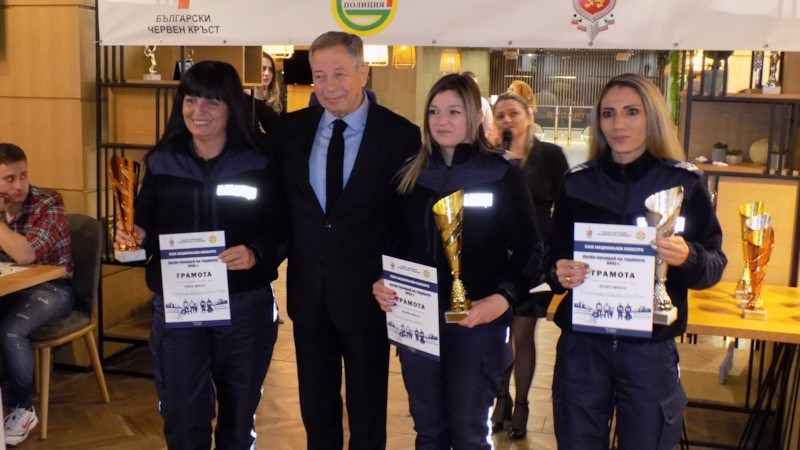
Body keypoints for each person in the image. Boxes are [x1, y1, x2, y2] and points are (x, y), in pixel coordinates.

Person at [545, 73, 727, 449]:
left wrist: (688, 256)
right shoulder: (577, 183)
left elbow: (714, 264)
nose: (619, 124)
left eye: (631, 112)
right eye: (608, 113)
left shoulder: (684, 184)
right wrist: (556, 271)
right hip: (583, 348)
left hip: (649, 350)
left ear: (652, 117)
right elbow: (550, 257)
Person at [114, 60, 287, 449]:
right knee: (182, 413)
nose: (198, 111)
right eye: (191, 100)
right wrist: (134, 236)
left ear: (231, 107)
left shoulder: (259, 162)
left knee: (238, 417)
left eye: (211, 102)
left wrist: (256, 253)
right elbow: (146, 226)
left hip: (244, 307)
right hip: (179, 308)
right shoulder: (162, 162)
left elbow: (283, 228)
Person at [372, 73, 543, 449]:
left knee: (468, 432)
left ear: (476, 117)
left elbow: (531, 248)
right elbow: (393, 243)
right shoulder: (410, 176)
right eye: (434, 111)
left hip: (476, 323)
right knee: (429, 431)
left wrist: (503, 298)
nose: (442, 121)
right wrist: (383, 280)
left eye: (453, 111)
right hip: (417, 319)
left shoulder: (501, 175)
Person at [274, 31, 420, 450]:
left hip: (369, 296)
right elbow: (278, 209)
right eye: (320, 75)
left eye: (339, 73)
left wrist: (394, 274)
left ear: (363, 71)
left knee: (368, 411)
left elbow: (407, 220)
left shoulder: (400, 136)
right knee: (316, 408)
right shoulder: (290, 132)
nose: (329, 85)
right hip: (309, 294)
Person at [489, 92, 569, 440]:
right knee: (498, 334)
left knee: (522, 334)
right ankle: (500, 397)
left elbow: (566, 207)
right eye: (501, 115)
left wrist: (553, 252)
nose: (507, 120)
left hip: (537, 259)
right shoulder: (491, 158)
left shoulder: (549, 155)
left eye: (514, 113)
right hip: (496, 261)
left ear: (529, 116)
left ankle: (521, 402)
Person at [0, 143, 74, 446]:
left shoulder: (48, 203)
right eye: (9, 179)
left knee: (10, 330)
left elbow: (26, 254)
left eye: (23, 176)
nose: (19, 185)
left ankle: (23, 407)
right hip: (9, 288)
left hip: (52, 288)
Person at [461, 71, 494, 139]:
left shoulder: (483, 102)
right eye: (471, 85)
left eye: (476, 84)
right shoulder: (454, 102)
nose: (475, 88)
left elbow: (489, 127)